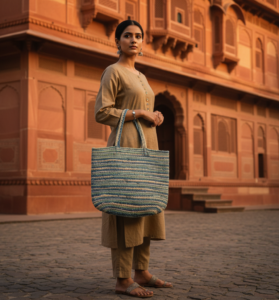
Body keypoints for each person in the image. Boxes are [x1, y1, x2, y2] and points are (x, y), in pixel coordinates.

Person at [94, 20, 172, 298]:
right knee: (126, 209)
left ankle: (141, 271)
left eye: (138, 36)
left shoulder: (141, 75)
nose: (134, 40)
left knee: (145, 207)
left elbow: (146, 109)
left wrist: (155, 116)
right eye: (127, 36)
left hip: (147, 146)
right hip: (126, 146)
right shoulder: (113, 71)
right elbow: (102, 112)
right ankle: (123, 279)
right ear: (118, 42)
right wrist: (138, 113)